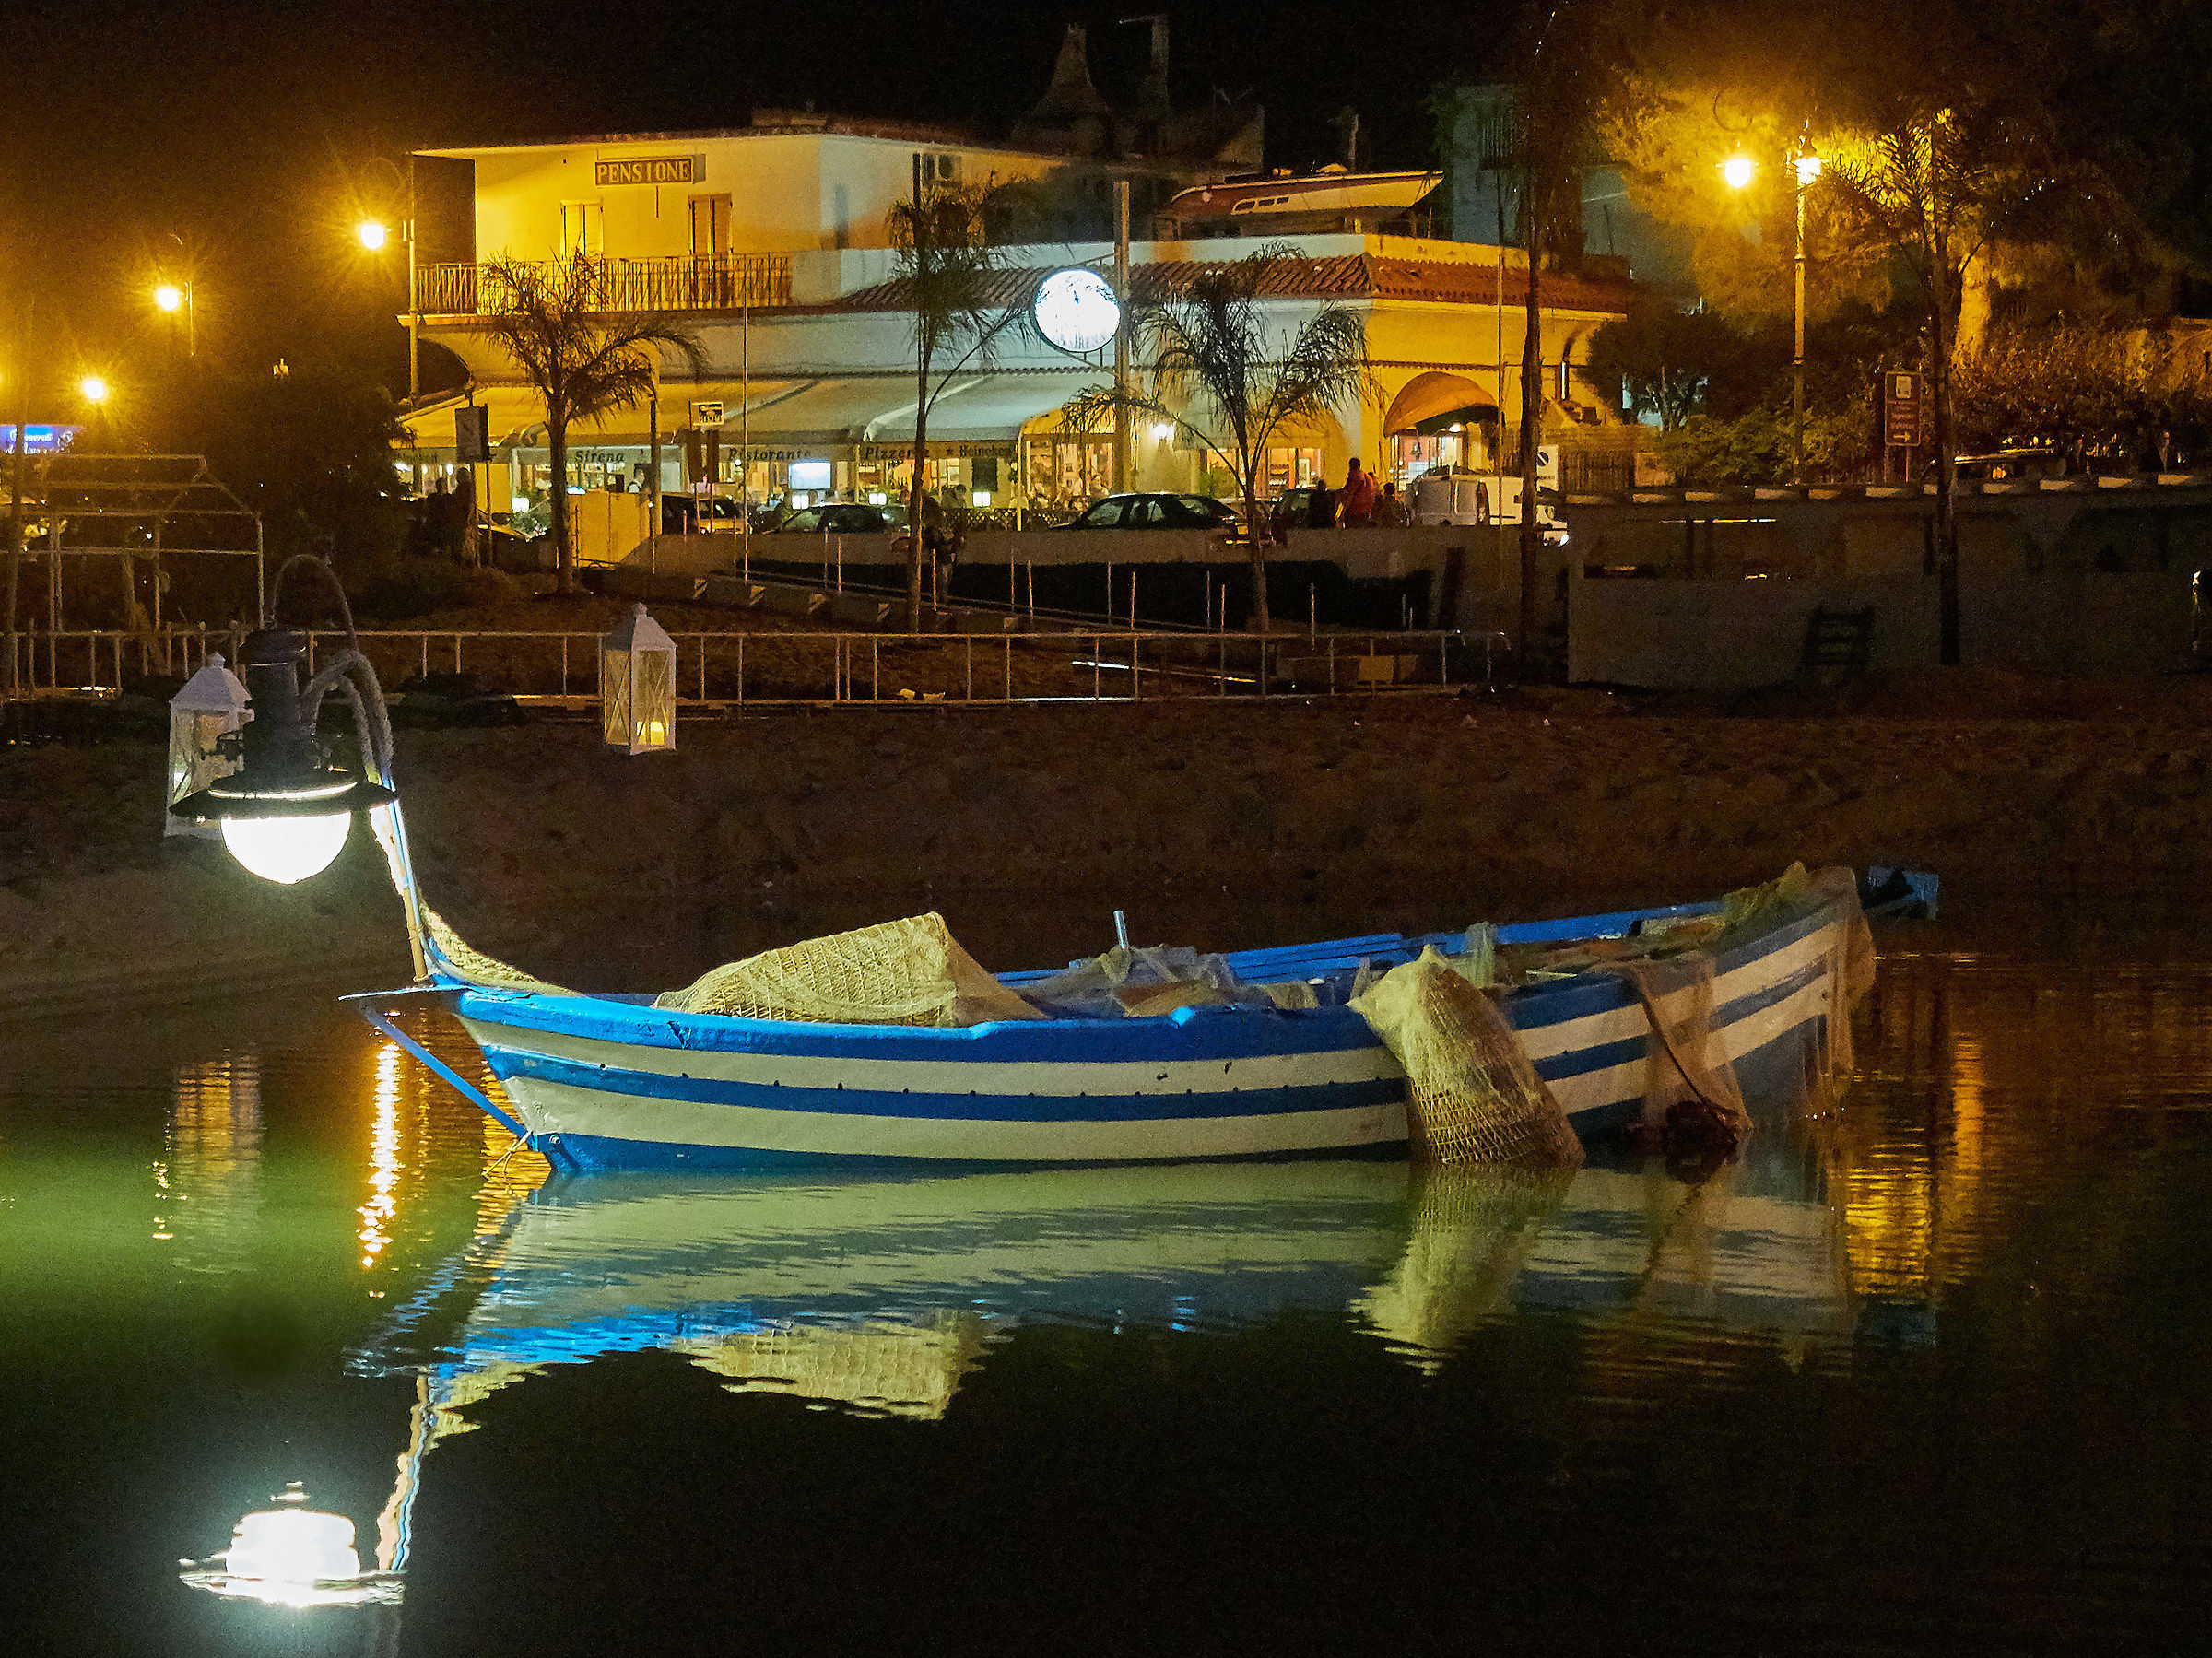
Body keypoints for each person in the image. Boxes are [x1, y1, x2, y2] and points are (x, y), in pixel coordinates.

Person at [1337, 457, 1377, 527]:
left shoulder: (1354, 477)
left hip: (1354, 511)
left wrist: (1343, 512)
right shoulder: (1367, 477)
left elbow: (1350, 494)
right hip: (1366, 511)